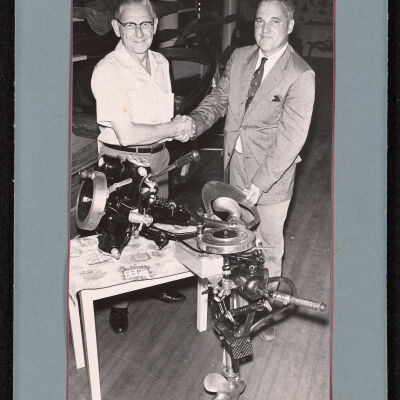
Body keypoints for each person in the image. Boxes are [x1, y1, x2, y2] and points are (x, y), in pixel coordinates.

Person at [188, 0, 315, 336]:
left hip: (271, 179)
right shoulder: (240, 57)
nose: (265, 28)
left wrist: (259, 184)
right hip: (235, 168)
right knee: (239, 244)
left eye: (275, 21)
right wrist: (193, 123)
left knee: (268, 248)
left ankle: (262, 316)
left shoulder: (300, 74)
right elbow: (219, 100)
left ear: (290, 26)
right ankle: (236, 310)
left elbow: (291, 139)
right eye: (259, 21)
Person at [91, 0, 194, 333]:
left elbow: (162, 117)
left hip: (158, 158)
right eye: (130, 25)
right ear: (116, 28)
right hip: (124, 162)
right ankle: (119, 303)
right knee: (121, 233)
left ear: (156, 25)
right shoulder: (108, 71)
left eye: (146, 24)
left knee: (156, 224)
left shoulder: (161, 62)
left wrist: (178, 128)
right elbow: (128, 132)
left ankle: (153, 282)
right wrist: (174, 128)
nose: (139, 32)